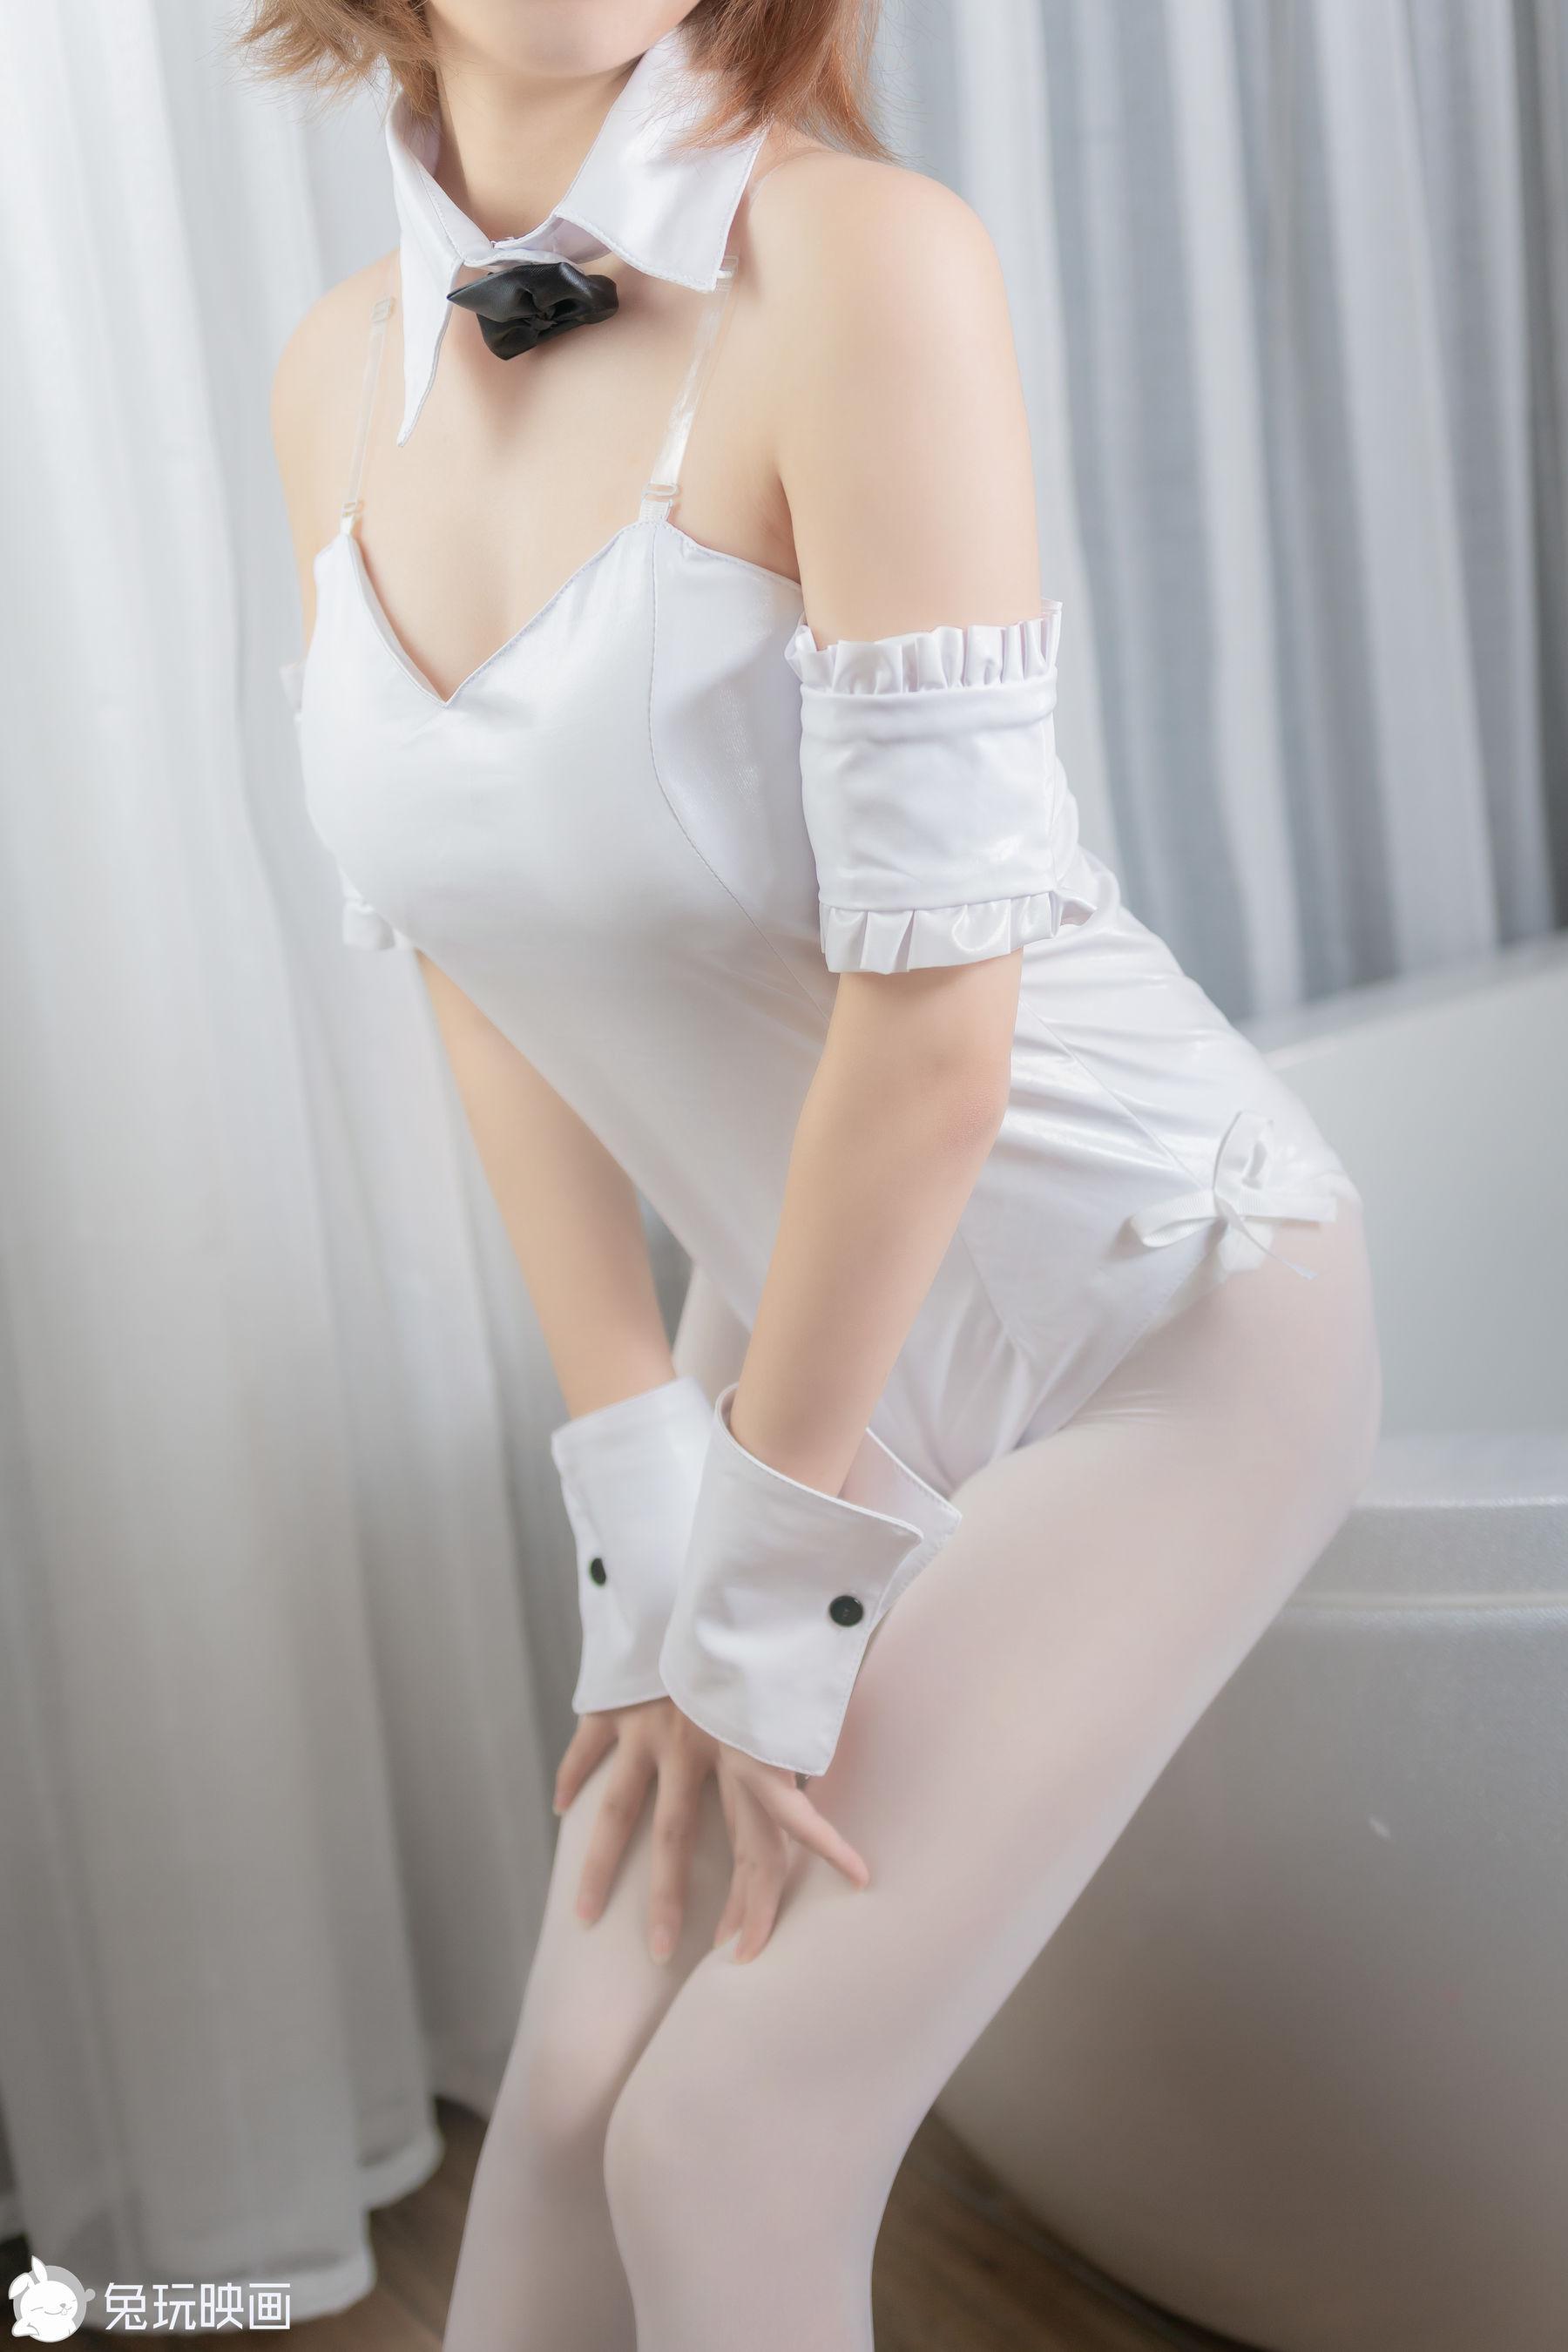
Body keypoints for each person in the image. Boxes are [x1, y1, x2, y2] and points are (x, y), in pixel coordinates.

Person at [256, 3, 1383, 2344]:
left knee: (726, 2132)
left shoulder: (863, 264)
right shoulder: (334, 379)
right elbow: (479, 960)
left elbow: (939, 1024)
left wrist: (760, 1592)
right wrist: (640, 1501)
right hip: (793, 1329)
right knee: (565, 2113)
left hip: (1152, 1316)